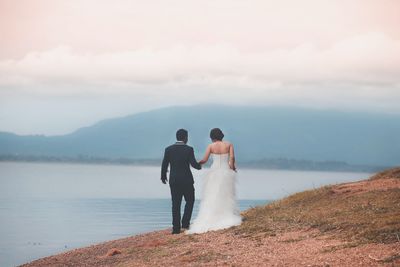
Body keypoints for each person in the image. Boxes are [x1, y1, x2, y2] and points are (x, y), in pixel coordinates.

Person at [186, 128, 241, 234]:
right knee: (226, 195)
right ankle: (226, 215)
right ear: (221, 135)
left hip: (214, 172)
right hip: (226, 172)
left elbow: (204, 160)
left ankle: (210, 217)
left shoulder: (211, 146)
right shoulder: (229, 144)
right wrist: (232, 167)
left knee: (212, 194)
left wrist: (196, 164)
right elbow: (232, 157)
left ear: (212, 137)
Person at [161, 129, 202, 234]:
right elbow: (193, 164)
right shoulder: (189, 149)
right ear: (186, 138)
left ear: (177, 137)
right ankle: (185, 223)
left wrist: (163, 176)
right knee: (190, 200)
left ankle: (176, 229)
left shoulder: (168, 149)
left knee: (175, 204)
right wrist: (199, 166)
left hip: (174, 180)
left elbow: (164, 164)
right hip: (187, 180)